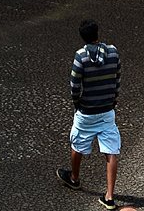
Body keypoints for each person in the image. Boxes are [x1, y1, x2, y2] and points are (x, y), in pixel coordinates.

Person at [57, 18, 122, 208]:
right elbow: (117, 79)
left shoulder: (81, 56)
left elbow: (74, 85)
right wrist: (113, 101)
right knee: (111, 150)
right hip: (107, 110)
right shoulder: (113, 52)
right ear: (98, 33)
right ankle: (109, 196)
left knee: (78, 143)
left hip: (86, 111)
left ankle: (74, 178)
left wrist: (78, 104)